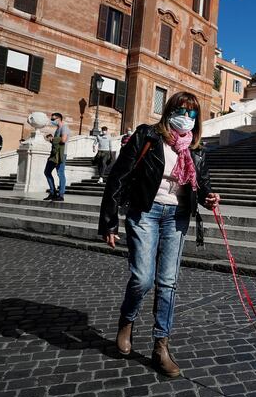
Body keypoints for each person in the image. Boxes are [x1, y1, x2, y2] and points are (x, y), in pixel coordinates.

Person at [98, 91, 220, 378]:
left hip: (176, 218)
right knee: (142, 278)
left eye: (192, 114)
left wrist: (209, 198)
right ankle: (126, 321)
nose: (186, 117)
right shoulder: (147, 136)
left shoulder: (198, 149)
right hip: (145, 212)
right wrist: (109, 223)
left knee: (168, 282)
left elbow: (201, 186)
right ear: (169, 110)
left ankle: (160, 345)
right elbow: (118, 177)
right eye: (181, 110)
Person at [44, 112, 70, 201]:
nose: (52, 121)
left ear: (58, 119)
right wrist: (51, 140)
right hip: (54, 154)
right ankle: (53, 192)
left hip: (61, 154)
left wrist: (53, 139)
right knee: (47, 172)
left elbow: (63, 140)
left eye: (53, 119)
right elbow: (57, 142)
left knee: (60, 173)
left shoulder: (64, 128)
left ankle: (61, 194)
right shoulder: (57, 129)